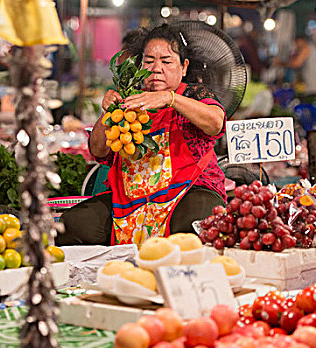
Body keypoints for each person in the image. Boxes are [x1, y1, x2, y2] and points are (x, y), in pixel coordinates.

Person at [56, 24, 227, 246]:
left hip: (188, 192)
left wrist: (170, 99)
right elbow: (98, 150)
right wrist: (107, 114)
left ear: (183, 67)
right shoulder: (131, 98)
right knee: (72, 224)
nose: (156, 68)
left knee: (193, 227)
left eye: (166, 61)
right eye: (149, 61)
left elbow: (216, 122)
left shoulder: (193, 95)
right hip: (130, 200)